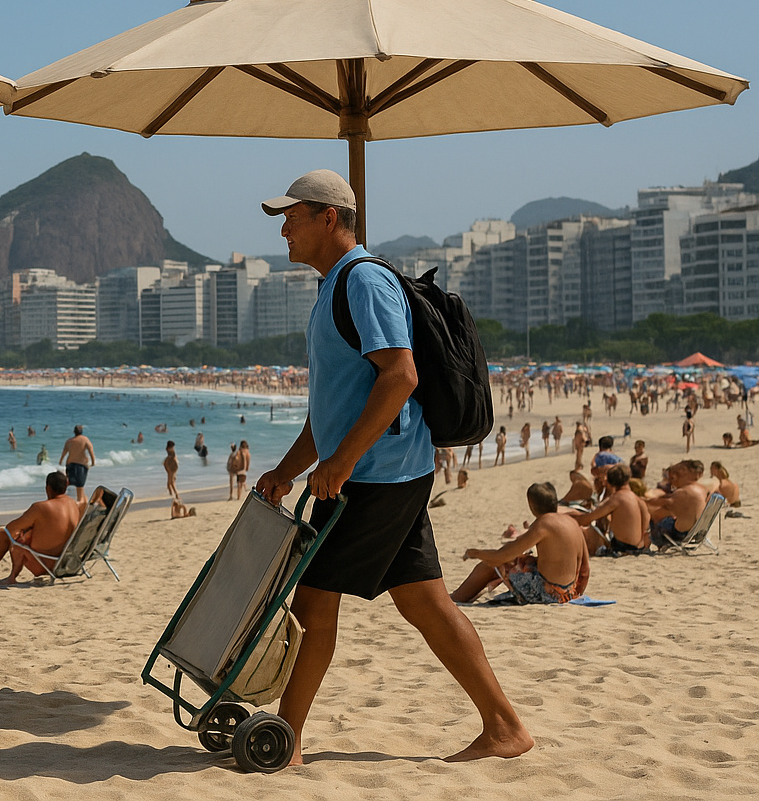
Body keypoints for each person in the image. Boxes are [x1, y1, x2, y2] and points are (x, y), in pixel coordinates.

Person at [254, 170, 530, 764]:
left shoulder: (363, 283)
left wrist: (342, 461)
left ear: (329, 217)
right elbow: (330, 410)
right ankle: (505, 728)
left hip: (376, 476)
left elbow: (400, 375)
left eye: (292, 216)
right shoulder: (332, 288)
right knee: (425, 601)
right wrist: (287, 471)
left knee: (313, 598)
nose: (283, 229)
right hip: (378, 470)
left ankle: (289, 739)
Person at [450, 482, 590, 604]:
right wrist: (574, 595)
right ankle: (472, 591)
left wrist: (474, 553)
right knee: (521, 561)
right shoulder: (573, 523)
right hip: (569, 593)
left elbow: (501, 556)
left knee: (490, 565)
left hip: (548, 593)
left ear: (531, 504)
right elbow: (585, 569)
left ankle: (456, 598)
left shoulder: (544, 524)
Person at [0, 470, 82, 586]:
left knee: (1, 534)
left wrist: (25, 532)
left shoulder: (41, 507)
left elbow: (10, 529)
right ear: (66, 486)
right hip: (66, 562)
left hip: (44, 564)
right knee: (25, 534)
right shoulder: (73, 504)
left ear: (48, 488)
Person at [572, 464, 651, 554]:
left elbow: (589, 518)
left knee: (587, 532)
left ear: (609, 482)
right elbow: (646, 529)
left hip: (623, 548)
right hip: (640, 549)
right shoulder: (639, 500)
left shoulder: (617, 499)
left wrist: (570, 517)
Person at [648, 459, 710, 546]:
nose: (671, 483)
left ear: (684, 473)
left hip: (681, 533)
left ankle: (647, 545)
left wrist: (644, 500)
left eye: (673, 478)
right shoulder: (702, 489)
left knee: (654, 513)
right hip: (697, 530)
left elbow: (661, 503)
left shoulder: (683, 492)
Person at [59, 424, 96, 504]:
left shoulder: (69, 441)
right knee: (80, 484)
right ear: (81, 431)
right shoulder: (85, 439)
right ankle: (80, 501)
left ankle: (64, 499)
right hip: (81, 464)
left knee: (71, 482)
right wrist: (93, 462)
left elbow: (64, 452)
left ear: (74, 432)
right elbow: (90, 450)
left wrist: (61, 460)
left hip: (70, 463)